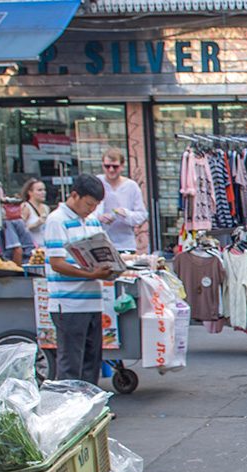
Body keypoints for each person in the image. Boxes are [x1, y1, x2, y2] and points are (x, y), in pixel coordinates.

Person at [44, 175, 115, 384]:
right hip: (69, 304)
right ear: (75, 195)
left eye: (96, 206)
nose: (91, 209)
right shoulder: (57, 220)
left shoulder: (92, 221)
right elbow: (57, 263)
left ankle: (90, 402)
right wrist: (91, 275)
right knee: (71, 364)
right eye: (89, 204)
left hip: (93, 301)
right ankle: (69, 403)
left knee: (91, 363)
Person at [93, 148, 149, 254]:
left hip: (126, 244)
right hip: (100, 243)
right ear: (102, 165)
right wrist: (99, 217)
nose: (111, 170)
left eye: (115, 166)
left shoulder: (131, 186)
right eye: (107, 166)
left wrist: (125, 214)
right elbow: (85, 212)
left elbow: (142, 215)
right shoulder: (96, 183)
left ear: (122, 166)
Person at [18, 178, 50, 247]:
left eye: (44, 190)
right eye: (39, 190)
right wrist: (36, 224)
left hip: (45, 246)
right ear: (30, 192)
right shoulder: (25, 207)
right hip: (31, 247)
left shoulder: (46, 208)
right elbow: (20, 230)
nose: (43, 193)